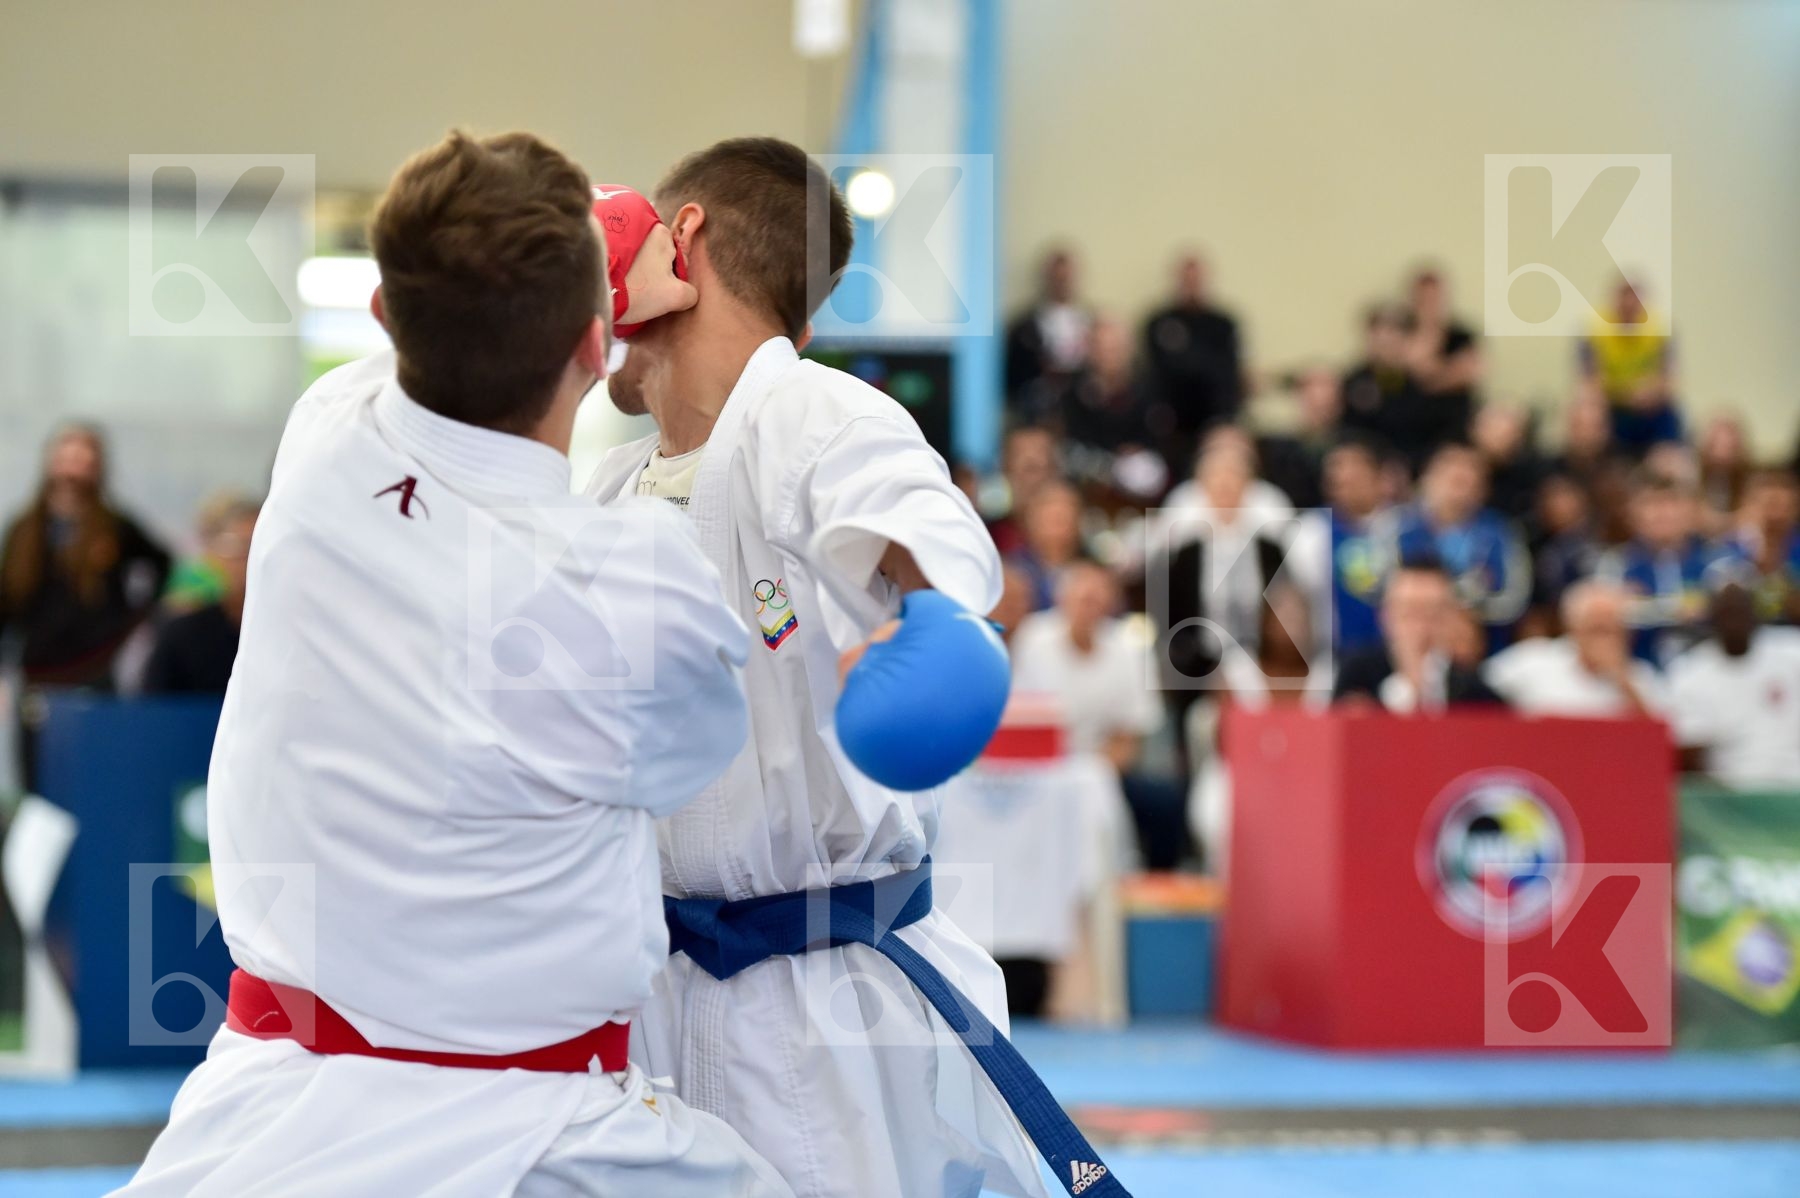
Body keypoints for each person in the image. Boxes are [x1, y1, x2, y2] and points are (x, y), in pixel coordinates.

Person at [118, 131, 788, 1198]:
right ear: (597, 346)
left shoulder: (326, 438)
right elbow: (698, 762)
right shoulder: (639, 578)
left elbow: (436, 331)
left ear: (382, 315)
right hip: (546, 1136)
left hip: (265, 1114)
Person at [584, 139, 1098, 1198]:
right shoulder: (606, 487)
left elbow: (908, 530)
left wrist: (926, 612)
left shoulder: (807, 411)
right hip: (651, 992)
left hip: (818, 1016)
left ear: (682, 239)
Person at [0, 424, 171, 785]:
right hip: (38, 676)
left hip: (95, 674)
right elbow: (7, 603)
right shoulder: (24, 530)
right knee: (37, 777)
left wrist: (132, 619)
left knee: (95, 774)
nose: (73, 470)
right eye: (67, 458)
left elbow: (161, 563)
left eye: (84, 460)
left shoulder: (115, 527)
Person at [1379, 444, 1530, 650]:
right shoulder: (1396, 527)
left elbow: (1515, 600)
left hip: (1483, 645)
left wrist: (1468, 607)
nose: (1459, 492)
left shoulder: (1502, 532)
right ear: (1427, 479)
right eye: (1453, 480)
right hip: (1406, 643)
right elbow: (1381, 587)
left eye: (1468, 482)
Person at [1597, 469, 1742, 664]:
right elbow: (1607, 613)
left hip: (1708, 664)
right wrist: (1686, 606)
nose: (1663, 513)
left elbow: (1728, 607)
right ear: (1632, 513)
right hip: (1638, 666)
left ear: (1692, 509)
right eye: (1651, 503)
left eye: (1672, 502)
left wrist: (1642, 607)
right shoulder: (1616, 562)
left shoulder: (1717, 557)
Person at [1668, 579, 1800, 787]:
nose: (1734, 622)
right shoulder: (1690, 673)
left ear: (1755, 616)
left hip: (1793, 785)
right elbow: (1690, 756)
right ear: (1712, 619)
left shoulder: (1792, 652)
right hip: (1731, 791)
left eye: (1741, 612)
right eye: (1726, 614)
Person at [1333, 559, 1505, 711]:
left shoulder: (1473, 692)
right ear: (1386, 616)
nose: (1421, 628)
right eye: (1410, 613)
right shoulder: (1358, 677)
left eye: (1432, 615)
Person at [1482, 581, 1667, 717]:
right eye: (1596, 629)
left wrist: (1625, 684)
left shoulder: (1640, 676)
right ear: (1573, 629)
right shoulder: (1534, 659)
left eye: (1612, 631)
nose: (1603, 641)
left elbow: (1661, 737)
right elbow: (1480, 687)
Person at [141, 499, 259, 695]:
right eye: (241, 547)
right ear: (213, 554)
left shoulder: (294, 631)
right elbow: (154, 707)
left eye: (260, 548)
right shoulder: (183, 636)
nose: (253, 561)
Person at [1140, 253, 1244, 464]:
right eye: (1187, 279)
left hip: (1213, 417)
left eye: (1196, 279)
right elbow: (1155, 372)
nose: (1191, 285)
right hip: (1170, 423)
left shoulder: (1222, 324)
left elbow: (1229, 374)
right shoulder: (1159, 322)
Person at [1580, 278, 1679, 453]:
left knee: (1671, 413)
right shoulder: (1596, 329)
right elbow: (1590, 381)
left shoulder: (1659, 329)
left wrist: (1651, 393)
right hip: (1612, 407)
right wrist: (1623, 395)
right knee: (1589, 414)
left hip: (1651, 409)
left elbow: (1669, 379)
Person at [1004, 246, 1093, 417]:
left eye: (1066, 277)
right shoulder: (1023, 326)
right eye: (1057, 277)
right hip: (1038, 408)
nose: (1061, 283)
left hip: (1083, 409)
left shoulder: (1091, 322)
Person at [1402, 267, 1482, 451]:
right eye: (1424, 298)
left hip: (1454, 424)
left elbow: (1471, 373)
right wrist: (1429, 328)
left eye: (1435, 297)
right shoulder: (1403, 330)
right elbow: (1418, 366)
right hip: (1411, 429)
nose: (1431, 304)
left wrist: (1431, 376)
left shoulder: (1462, 335)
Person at [1734, 467, 1800, 625]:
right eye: (1770, 506)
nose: (1775, 516)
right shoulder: (1725, 553)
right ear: (1748, 506)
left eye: (1784, 507)